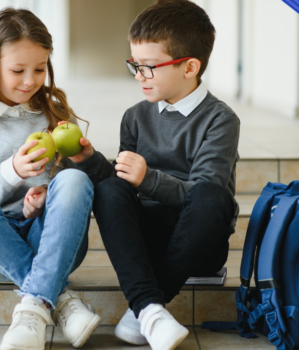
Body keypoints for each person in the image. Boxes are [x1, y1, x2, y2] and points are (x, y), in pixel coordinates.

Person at [65, 1, 240, 349]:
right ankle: (150, 311)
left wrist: (148, 180)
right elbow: (123, 182)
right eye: (135, 65)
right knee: (110, 191)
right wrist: (88, 159)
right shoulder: (135, 117)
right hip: (146, 240)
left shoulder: (221, 120)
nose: (139, 76)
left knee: (213, 196)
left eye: (149, 67)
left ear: (190, 66)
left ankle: (143, 304)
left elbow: (203, 194)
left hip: (199, 244)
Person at [0, 8, 100, 350]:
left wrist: (49, 193)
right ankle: (59, 299)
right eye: (17, 70)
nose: (31, 81)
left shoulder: (55, 114)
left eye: (40, 69)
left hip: (52, 239)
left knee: (76, 182)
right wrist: (12, 172)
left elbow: (71, 193)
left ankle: (35, 306)